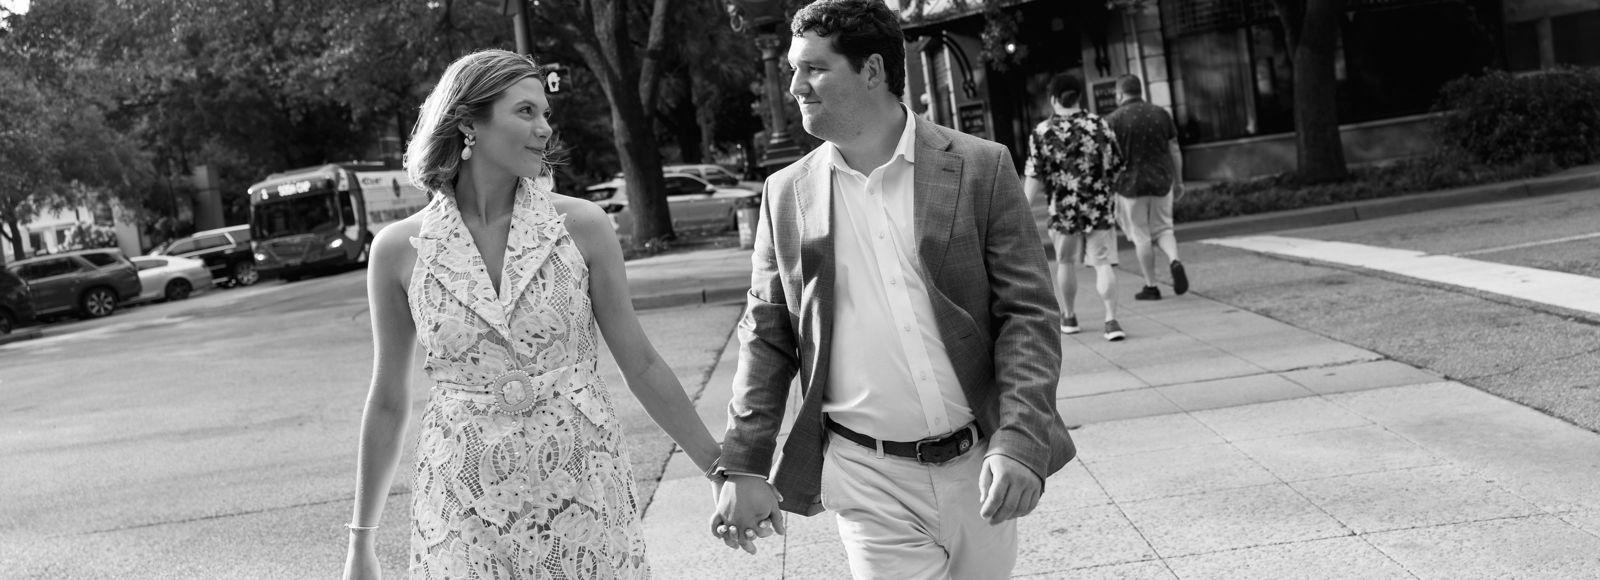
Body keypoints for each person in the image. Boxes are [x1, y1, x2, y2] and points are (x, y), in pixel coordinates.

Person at [709, 1, 1076, 577]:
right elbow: (767, 337)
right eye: (793, 69)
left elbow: (1027, 313)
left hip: (980, 463)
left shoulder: (981, 166)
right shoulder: (786, 194)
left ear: (873, 70)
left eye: (814, 68)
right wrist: (743, 463)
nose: (795, 86)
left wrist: (1021, 439)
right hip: (866, 475)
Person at [341, 49, 727, 580]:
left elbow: (640, 363)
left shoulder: (582, 225)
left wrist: (719, 468)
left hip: (582, 493)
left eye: (545, 113)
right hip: (462, 504)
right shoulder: (397, 249)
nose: (545, 128)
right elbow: (387, 399)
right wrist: (361, 541)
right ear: (468, 123)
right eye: (525, 112)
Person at [1023, 73, 1127, 342]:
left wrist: (1021, 209)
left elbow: (1034, 176)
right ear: (1079, 96)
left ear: (1053, 99)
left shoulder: (1042, 132)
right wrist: (1104, 190)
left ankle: (1069, 317)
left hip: (1063, 210)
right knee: (1103, 263)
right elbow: (1116, 167)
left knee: (1065, 262)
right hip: (1098, 207)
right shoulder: (1099, 125)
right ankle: (1111, 321)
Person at [1104, 74, 1189, 300]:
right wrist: (1179, 180)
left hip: (1130, 186)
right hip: (1162, 181)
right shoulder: (1161, 113)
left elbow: (1107, 158)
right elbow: (1174, 149)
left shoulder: (1113, 120)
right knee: (1164, 229)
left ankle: (1151, 286)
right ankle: (1174, 260)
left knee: (1141, 235)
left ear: (1120, 94)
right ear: (1140, 90)